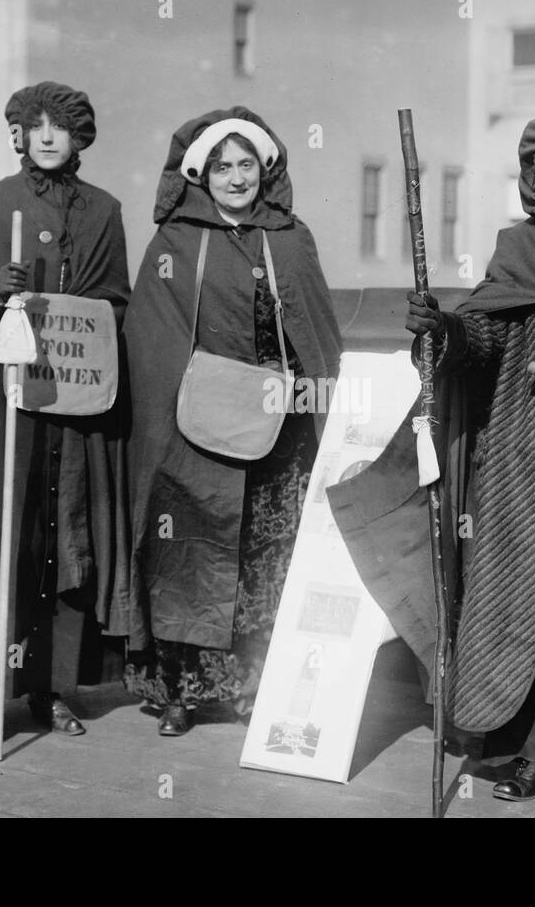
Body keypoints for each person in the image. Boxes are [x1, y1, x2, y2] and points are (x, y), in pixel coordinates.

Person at [331, 104, 535, 802]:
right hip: (521, 460)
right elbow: (485, 345)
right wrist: (445, 332)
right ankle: (511, 740)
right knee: (521, 608)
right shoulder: (518, 248)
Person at [0, 81, 141, 753]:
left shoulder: (104, 212)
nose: (46, 136)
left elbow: (117, 306)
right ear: (18, 135)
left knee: (62, 542)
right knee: (0, 542)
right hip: (4, 408)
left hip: (72, 408)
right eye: (34, 126)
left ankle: (50, 689)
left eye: (60, 127)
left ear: (79, 138)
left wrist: (77, 319)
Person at [122, 107, 343, 736]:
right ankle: (182, 693)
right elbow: (153, 342)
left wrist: (312, 395)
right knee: (192, 549)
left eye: (247, 165)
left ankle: (255, 688)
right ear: (203, 174)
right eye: (223, 166)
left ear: (264, 170)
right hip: (197, 424)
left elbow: (315, 331)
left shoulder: (291, 237)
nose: (236, 177)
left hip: (279, 429)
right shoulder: (177, 240)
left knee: (264, 555)